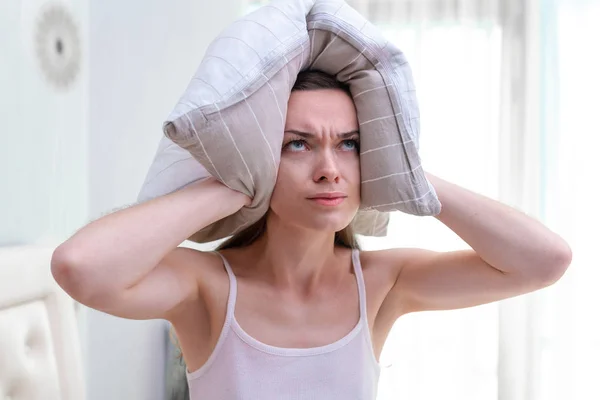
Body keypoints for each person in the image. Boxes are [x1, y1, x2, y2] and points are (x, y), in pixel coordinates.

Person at [51, 70, 572, 400]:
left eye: (349, 144)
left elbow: (545, 260)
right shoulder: (206, 287)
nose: (329, 169)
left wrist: (404, 175)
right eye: (297, 145)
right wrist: (237, 183)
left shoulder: (384, 283)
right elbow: (80, 267)